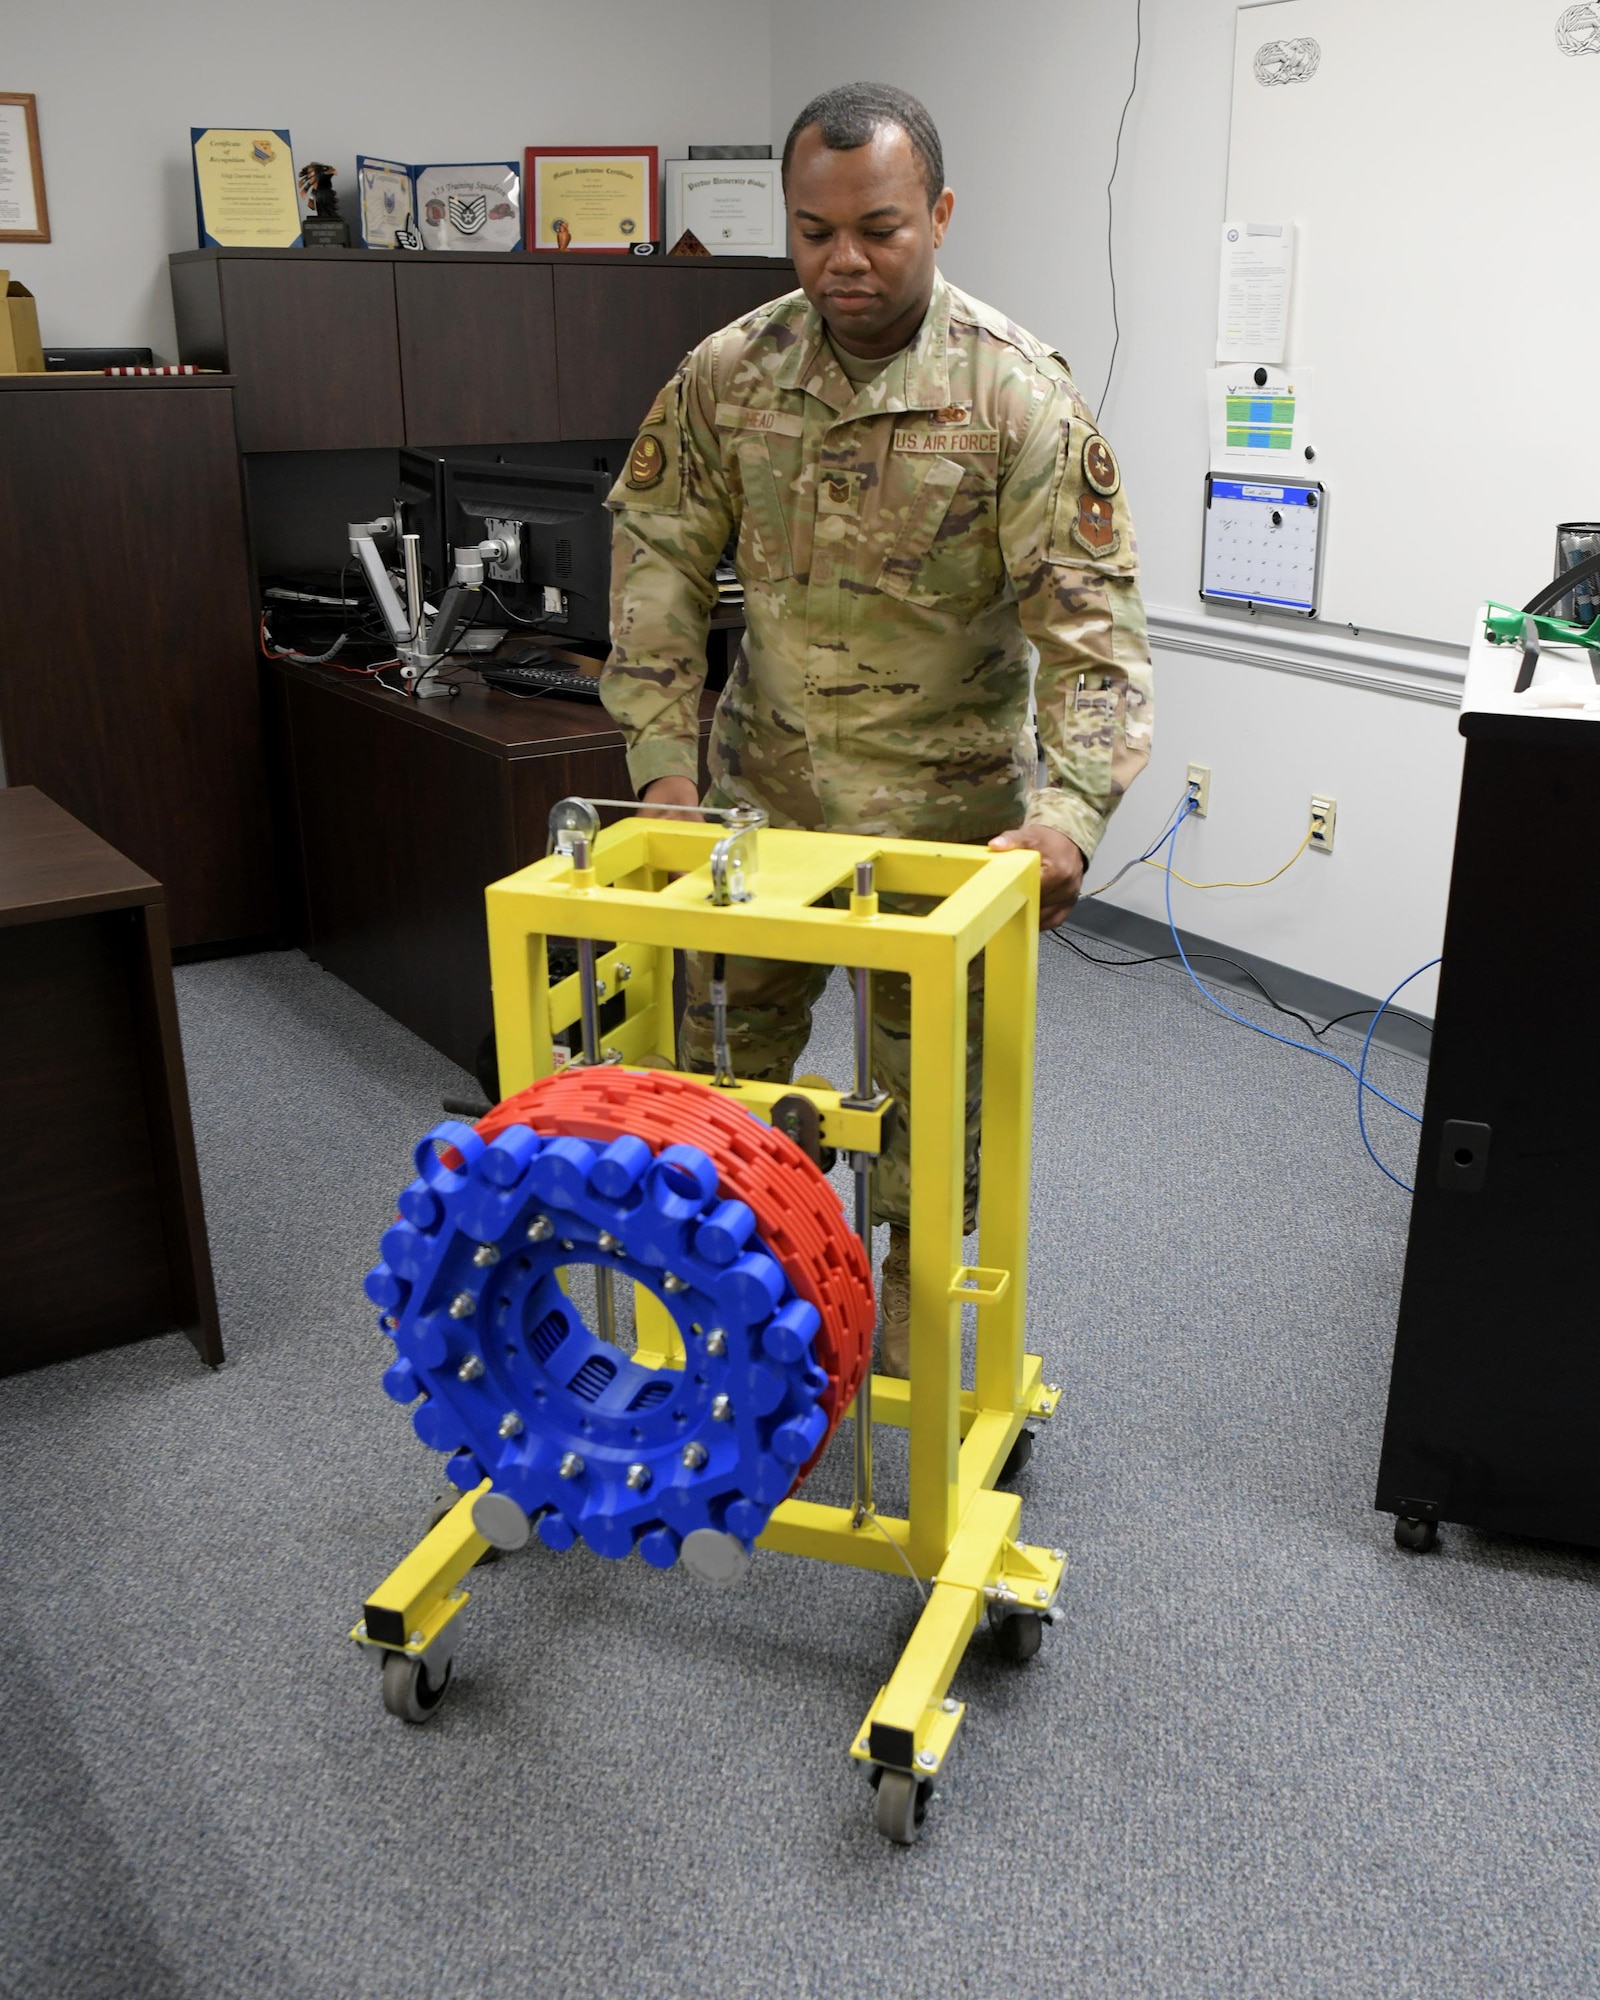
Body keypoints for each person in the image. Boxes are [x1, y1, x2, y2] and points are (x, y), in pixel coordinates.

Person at [601, 82, 1153, 1374]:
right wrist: (665, 768)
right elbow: (655, 568)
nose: (843, 261)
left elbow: (1095, 634)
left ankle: (907, 1361)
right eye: (812, 231)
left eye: (881, 230)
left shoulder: (1016, 396)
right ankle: (748, 1323)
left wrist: (1069, 817)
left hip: (946, 835)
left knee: (931, 1123)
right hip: (757, 810)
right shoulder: (728, 375)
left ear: (943, 216)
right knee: (722, 1081)